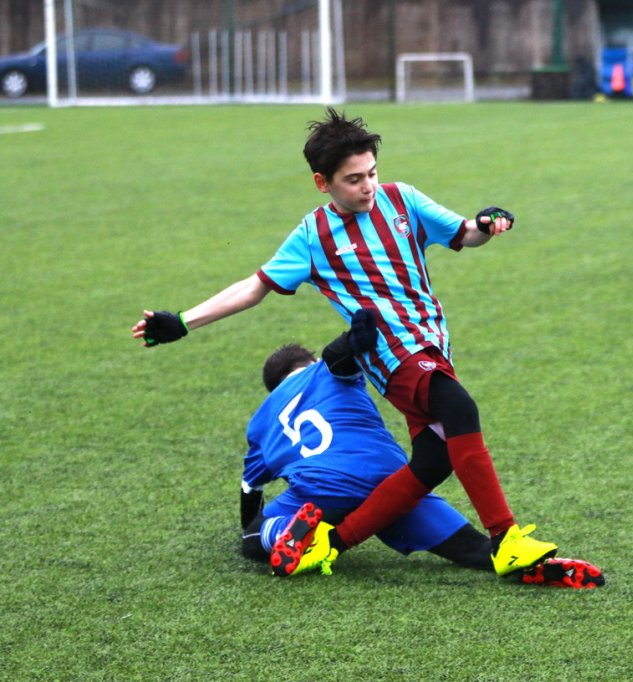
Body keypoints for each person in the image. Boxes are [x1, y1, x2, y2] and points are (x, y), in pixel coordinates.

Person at [132, 108, 560, 579]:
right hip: (392, 354)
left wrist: (487, 222)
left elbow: (464, 233)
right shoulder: (311, 236)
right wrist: (184, 322)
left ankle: (330, 544)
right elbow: (254, 287)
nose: (368, 186)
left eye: (372, 173)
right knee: (461, 410)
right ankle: (506, 538)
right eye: (353, 179)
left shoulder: (404, 200)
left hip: (433, 346)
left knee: (434, 461)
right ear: (323, 183)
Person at [240, 335, 604, 588]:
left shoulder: (261, 418)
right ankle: (532, 566)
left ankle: (285, 533)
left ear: (274, 388)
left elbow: (249, 487)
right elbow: (344, 355)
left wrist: (252, 527)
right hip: (393, 484)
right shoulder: (327, 371)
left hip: (319, 491)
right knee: (472, 548)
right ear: (311, 363)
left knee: (253, 535)